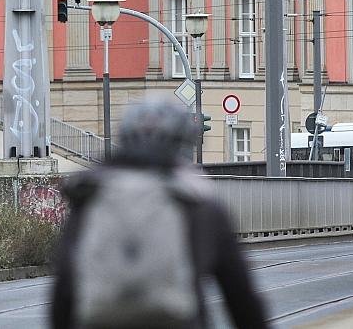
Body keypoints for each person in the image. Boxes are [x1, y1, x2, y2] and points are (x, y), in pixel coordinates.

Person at [51, 97, 269, 329]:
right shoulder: (196, 200)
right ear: (181, 146)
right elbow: (240, 294)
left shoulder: (91, 196)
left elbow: (64, 290)